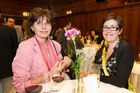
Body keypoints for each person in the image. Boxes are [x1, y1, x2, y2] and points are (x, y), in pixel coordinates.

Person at [12, 7, 71, 93]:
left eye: (47, 23)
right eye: (39, 23)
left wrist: (64, 64)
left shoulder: (55, 45)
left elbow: (58, 69)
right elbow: (19, 86)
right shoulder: (25, 47)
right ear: (32, 27)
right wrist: (48, 76)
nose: (44, 27)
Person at [95, 13, 134, 88]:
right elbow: (95, 68)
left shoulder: (126, 49)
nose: (108, 31)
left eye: (113, 27)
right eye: (105, 27)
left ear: (120, 31)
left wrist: (96, 77)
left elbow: (120, 81)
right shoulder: (102, 48)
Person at [0, 17, 18, 93]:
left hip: (8, 71)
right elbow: (16, 52)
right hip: (7, 69)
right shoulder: (10, 31)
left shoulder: (11, 30)